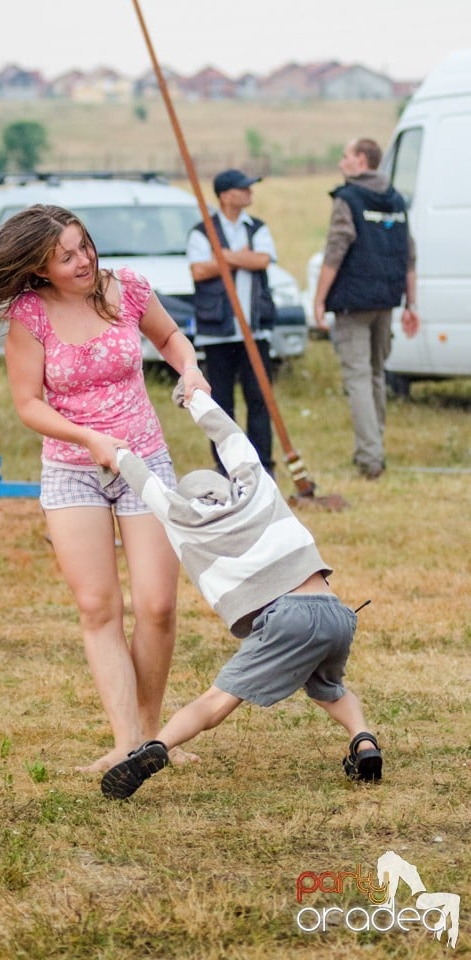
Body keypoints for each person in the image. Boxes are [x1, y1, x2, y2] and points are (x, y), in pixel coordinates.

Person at [0, 204, 211, 773]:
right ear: (39, 268)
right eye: (65, 256)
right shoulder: (30, 315)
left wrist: (189, 369)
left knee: (158, 605)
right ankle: (125, 742)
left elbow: (171, 337)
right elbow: (28, 404)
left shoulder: (126, 289)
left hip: (145, 462)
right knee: (98, 607)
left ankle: (154, 737)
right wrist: (88, 438)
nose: (82, 259)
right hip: (72, 470)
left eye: (83, 245)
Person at [99, 384, 382, 800]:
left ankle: (153, 748)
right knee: (330, 688)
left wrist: (118, 455)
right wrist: (194, 399)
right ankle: (364, 742)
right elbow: (230, 436)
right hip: (335, 612)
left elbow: (148, 485)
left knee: (215, 702)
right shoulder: (257, 490)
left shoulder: (185, 519)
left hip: (285, 618)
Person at [313, 138, 420, 480]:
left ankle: (370, 458)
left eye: (345, 156)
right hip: (386, 300)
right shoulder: (396, 199)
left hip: (353, 301)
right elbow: (409, 254)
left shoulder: (348, 198)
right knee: (375, 373)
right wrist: (411, 303)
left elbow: (336, 249)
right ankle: (375, 446)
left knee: (358, 377)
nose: (341, 162)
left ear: (361, 160)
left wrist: (318, 298)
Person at [187, 168, 277, 475]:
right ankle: (226, 467)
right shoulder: (202, 231)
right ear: (226, 195)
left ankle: (264, 465)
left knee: (260, 401)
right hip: (218, 334)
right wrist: (241, 256)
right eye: (243, 188)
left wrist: (224, 257)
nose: (250, 191)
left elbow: (262, 260)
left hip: (255, 330)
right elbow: (198, 270)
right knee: (221, 407)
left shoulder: (258, 227)